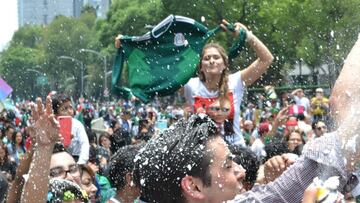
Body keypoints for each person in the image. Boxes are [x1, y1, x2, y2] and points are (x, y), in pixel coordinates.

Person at [183, 20, 273, 147]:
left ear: (225, 64)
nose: (211, 61)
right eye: (207, 58)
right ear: (201, 67)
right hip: (202, 152)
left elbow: (266, 59)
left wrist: (247, 36)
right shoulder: (190, 85)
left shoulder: (235, 81)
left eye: (216, 57)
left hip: (235, 150)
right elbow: (166, 78)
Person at [51, 93, 90, 164]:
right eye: (65, 109)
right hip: (57, 161)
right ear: (55, 113)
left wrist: (81, 163)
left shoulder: (77, 125)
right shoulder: (51, 127)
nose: (69, 111)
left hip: (76, 160)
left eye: (70, 107)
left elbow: (85, 144)